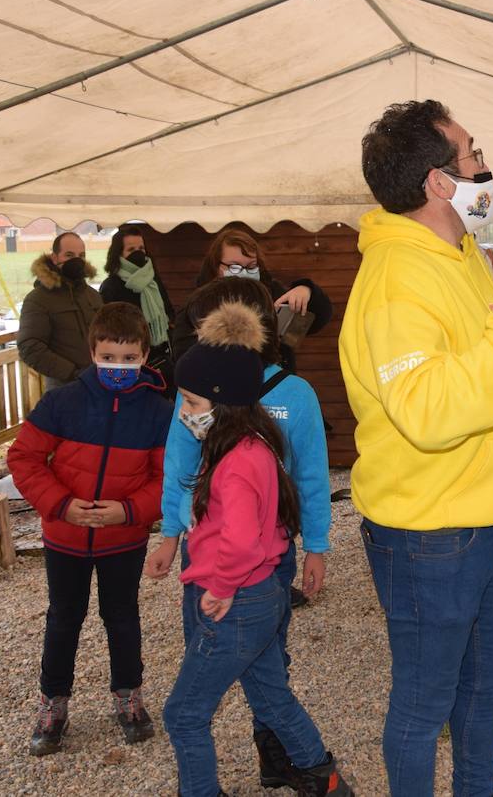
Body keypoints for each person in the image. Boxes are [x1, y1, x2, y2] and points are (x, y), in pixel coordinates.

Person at [342, 99, 493, 796]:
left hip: (485, 522)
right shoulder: (397, 278)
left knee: (484, 696)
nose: (486, 165)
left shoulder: (460, 259)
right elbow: (425, 411)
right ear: (439, 183)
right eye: (472, 153)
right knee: (424, 707)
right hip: (429, 533)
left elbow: (469, 369)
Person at [144, 275, 334, 789]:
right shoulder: (198, 394)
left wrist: (317, 546)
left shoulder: (293, 394)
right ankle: (316, 769)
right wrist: (169, 534)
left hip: (261, 559)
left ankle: (277, 758)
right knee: (225, 661)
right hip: (210, 556)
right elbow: (180, 464)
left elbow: (314, 477)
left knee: (256, 670)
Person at [7, 302, 172, 756]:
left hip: (125, 537)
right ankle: (53, 703)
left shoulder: (159, 412)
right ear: (92, 352)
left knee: (121, 616)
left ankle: (128, 697)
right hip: (65, 536)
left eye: (128, 359)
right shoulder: (62, 401)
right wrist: (60, 504)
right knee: (64, 618)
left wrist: (130, 510)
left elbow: (170, 476)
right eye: (108, 357)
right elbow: (23, 458)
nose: (118, 367)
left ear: (145, 354)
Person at [170, 228, 333, 372]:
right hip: (221, 395)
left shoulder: (271, 293)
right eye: (234, 266)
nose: (243, 272)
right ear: (216, 267)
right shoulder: (196, 306)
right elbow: (184, 360)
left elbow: (318, 320)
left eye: (250, 267)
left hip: (273, 389)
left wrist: (307, 291)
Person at [19, 231, 105, 390]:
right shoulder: (38, 299)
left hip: (98, 383)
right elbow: (29, 346)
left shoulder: (93, 296)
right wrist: (72, 373)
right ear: (54, 257)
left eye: (81, 255)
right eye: (69, 255)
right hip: (63, 387)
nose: (77, 260)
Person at [99, 224, 177, 396]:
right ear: (119, 254)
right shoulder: (111, 286)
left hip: (161, 358)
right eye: (131, 249)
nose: (138, 253)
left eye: (141, 248)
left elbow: (168, 311)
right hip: (132, 363)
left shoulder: (153, 281)